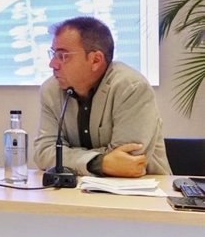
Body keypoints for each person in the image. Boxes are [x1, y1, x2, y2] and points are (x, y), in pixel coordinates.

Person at [33, 16, 171, 177]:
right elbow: (43, 152)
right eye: (53, 54)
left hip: (139, 193)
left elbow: (128, 160)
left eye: (63, 56)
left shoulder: (131, 87)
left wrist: (68, 157)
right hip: (76, 192)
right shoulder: (51, 90)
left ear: (96, 60)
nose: (53, 64)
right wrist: (98, 162)